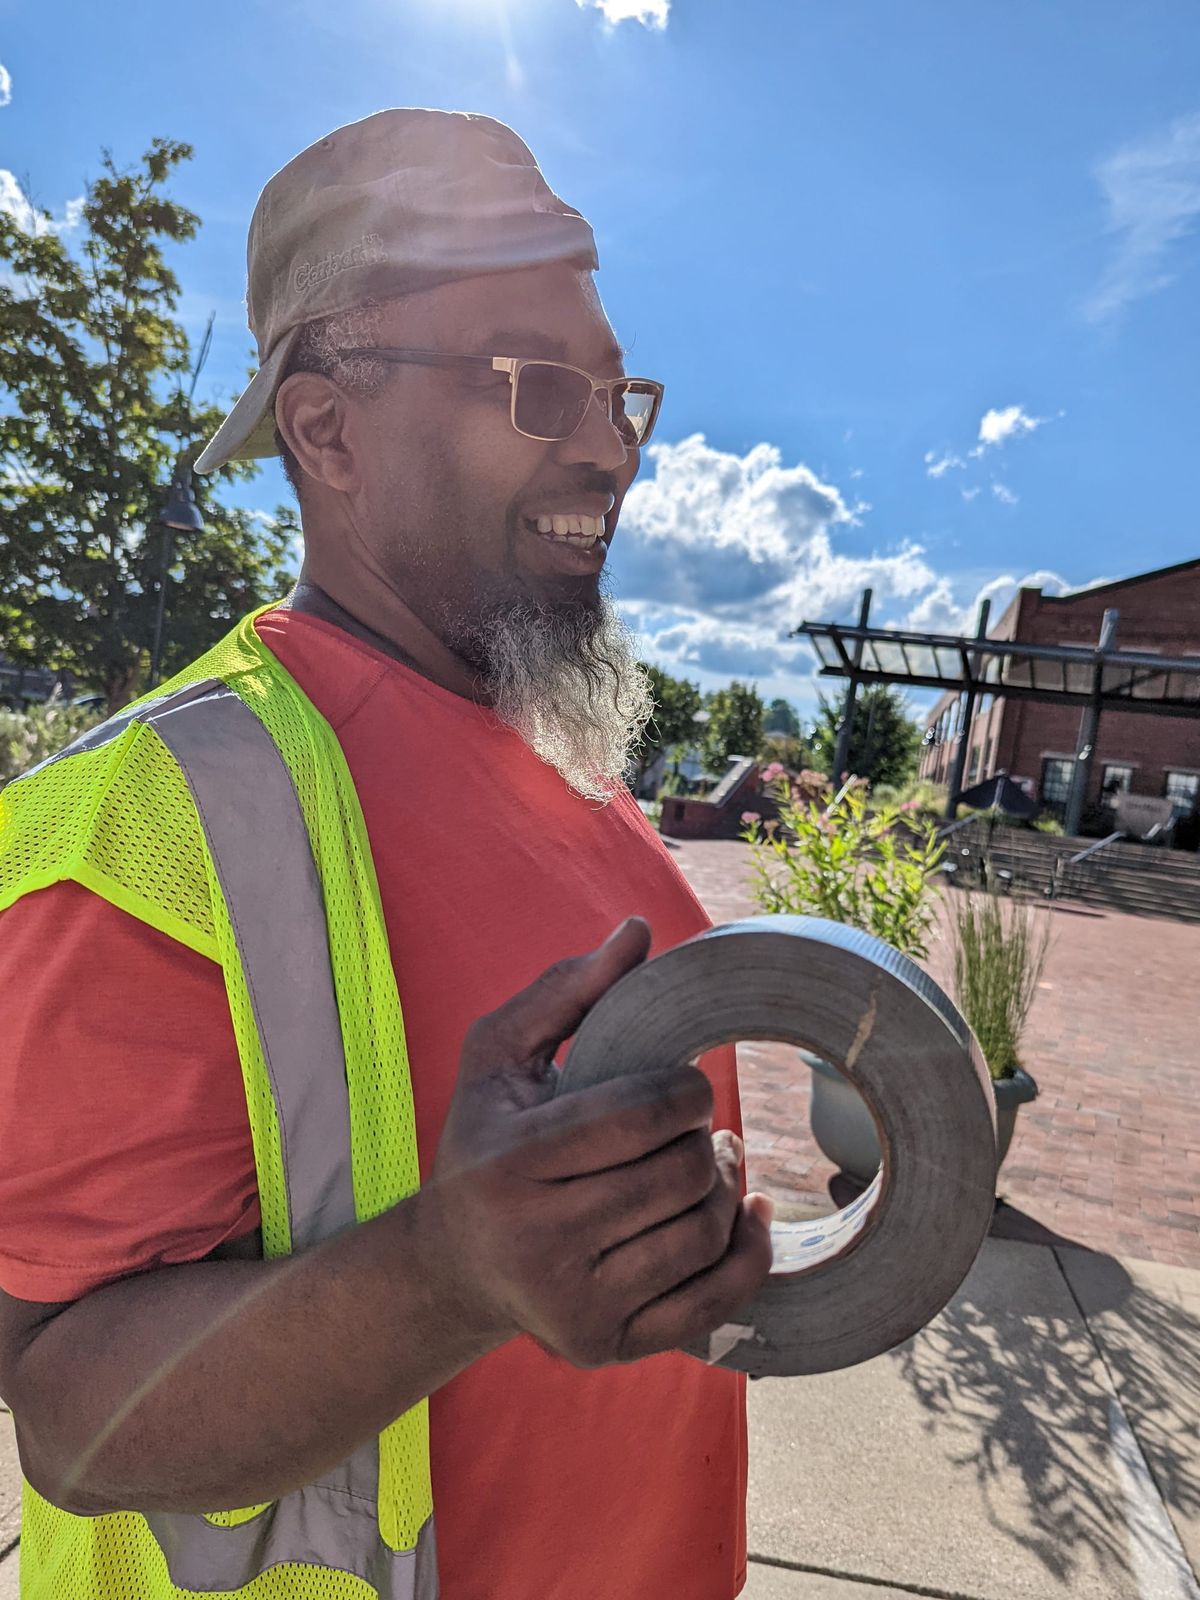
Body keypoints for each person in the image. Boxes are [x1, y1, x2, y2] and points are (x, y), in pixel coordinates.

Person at [0, 108, 773, 1600]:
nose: (608, 448)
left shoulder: (570, 771)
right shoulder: (148, 821)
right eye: (536, 384)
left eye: (619, 393)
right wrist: (445, 1272)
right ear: (326, 429)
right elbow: (70, 1417)